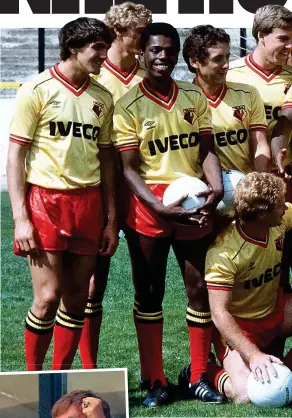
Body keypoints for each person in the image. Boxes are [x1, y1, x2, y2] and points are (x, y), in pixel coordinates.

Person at [113, 22, 224, 407]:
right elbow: (128, 168)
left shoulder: (193, 95)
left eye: (169, 49)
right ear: (141, 54)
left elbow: (207, 150)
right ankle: (155, 380)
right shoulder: (127, 104)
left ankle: (197, 376)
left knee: (199, 289)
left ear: (178, 53)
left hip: (192, 201)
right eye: (154, 50)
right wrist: (158, 205)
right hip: (150, 207)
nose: (162, 56)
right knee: (149, 293)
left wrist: (218, 188)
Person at [6, 17, 118, 371]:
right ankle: (33, 377)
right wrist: (20, 219)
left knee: (76, 298)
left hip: (88, 203)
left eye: (105, 47)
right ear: (74, 48)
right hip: (45, 202)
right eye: (97, 49)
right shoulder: (36, 89)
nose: (104, 56)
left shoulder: (102, 96)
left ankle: (60, 379)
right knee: (47, 297)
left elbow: (106, 159)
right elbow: (15, 155)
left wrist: (111, 218)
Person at [79, 2, 152, 370]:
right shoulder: (95, 76)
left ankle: (152, 374)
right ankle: (90, 369)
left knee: (147, 286)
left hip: (143, 190)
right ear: (120, 33)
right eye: (140, 32)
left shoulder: (150, 74)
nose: (146, 38)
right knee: (93, 287)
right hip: (100, 189)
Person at [205, 172, 292, 403]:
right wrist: (253, 355)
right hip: (240, 328)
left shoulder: (281, 219)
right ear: (262, 214)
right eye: (280, 205)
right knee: (244, 394)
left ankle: (286, 372)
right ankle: (206, 371)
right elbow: (219, 313)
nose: (285, 207)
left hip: (277, 311)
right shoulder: (223, 254)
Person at [227, 4, 292, 299]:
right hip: (244, 188)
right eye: (284, 38)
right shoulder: (229, 74)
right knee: (246, 278)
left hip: (288, 186)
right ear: (261, 35)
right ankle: (236, 345)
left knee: (283, 276)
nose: (290, 45)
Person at [183, 25, 271, 175]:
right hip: (200, 190)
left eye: (228, 57)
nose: (226, 65)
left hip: (244, 187)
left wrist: (260, 181)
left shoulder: (248, 94)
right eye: (218, 59)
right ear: (194, 62)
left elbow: (260, 145)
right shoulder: (181, 100)